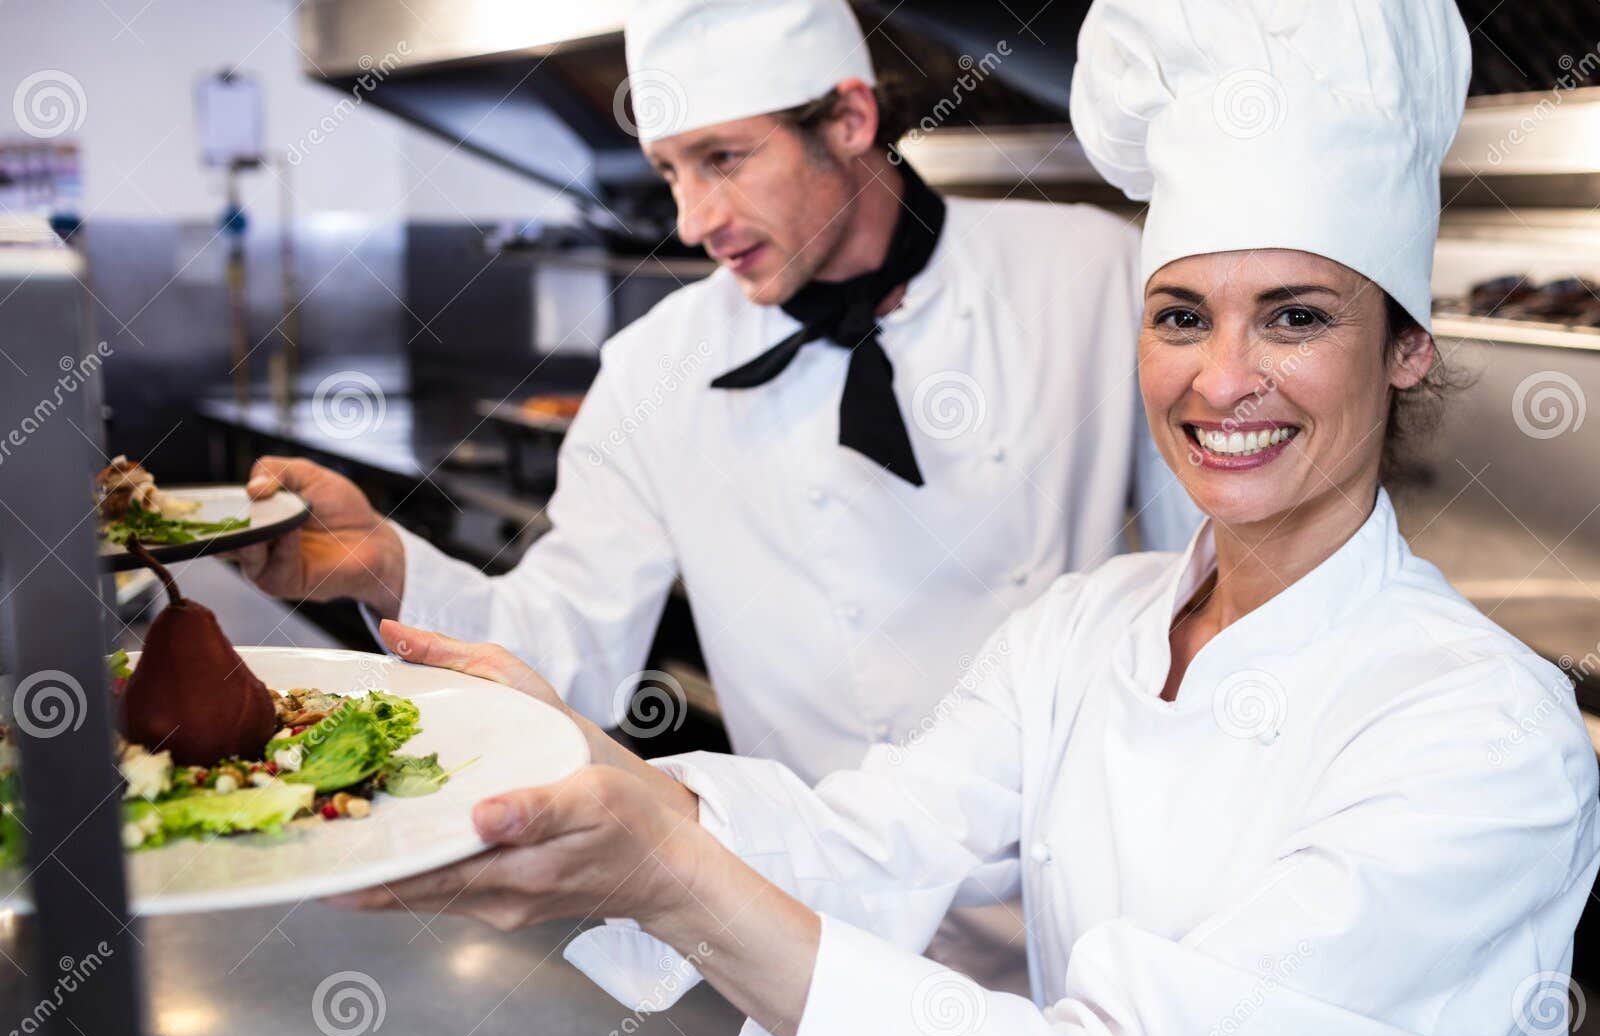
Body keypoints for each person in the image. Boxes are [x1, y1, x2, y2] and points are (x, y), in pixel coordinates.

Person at [335, 0, 1600, 1036]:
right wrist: (603, 786)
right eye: (1177, 317)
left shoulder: (1488, 732)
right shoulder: (1083, 629)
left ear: (1406, 350)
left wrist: (665, 873)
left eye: (1293, 316)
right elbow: (867, 837)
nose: (1220, 380)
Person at [236, 0, 1196, 785]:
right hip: (827, 908)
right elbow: (564, 644)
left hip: (1078, 880)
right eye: (670, 171)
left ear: (850, 120)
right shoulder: (657, 368)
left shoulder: (1093, 271)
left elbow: (1201, 575)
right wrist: (384, 567)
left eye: (724, 160)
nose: (695, 222)